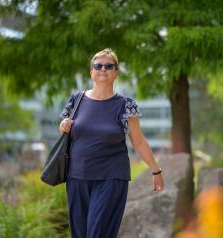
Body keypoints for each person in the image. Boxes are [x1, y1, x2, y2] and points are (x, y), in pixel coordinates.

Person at [59, 48, 164, 238]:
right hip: (77, 176)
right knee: (80, 234)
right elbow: (67, 130)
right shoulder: (77, 100)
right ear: (91, 72)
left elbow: (139, 141)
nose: (103, 69)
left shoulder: (125, 105)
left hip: (111, 177)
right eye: (98, 66)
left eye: (109, 66)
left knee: (98, 233)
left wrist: (156, 171)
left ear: (115, 72)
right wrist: (64, 125)